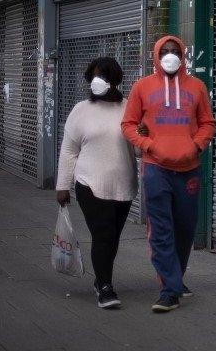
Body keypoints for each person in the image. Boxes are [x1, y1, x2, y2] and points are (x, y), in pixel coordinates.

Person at [121, 35, 216, 313]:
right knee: (161, 230)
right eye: (166, 51)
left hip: (189, 170)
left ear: (183, 54)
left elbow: (207, 122)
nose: (171, 55)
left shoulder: (197, 87)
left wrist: (196, 145)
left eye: (175, 50)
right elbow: (128, 124)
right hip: (156, 169)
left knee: (185, 230)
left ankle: (175, 278)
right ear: (157, 55)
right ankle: (169, 290)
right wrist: (149, 145)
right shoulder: (142, 87)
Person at [56, 57, 144, 309]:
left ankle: (102, 279)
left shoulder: (130, 109)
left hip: (124, 185)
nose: (98, 81)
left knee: (113, 237)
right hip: (89, 184)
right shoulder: (80, 110)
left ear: (116, 80)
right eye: (94, 76)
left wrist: (144, 136)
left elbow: (138, 152)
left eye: (104, 77)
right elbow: (69, 151)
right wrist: (63, 185)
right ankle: (105, 286)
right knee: (103, 233)